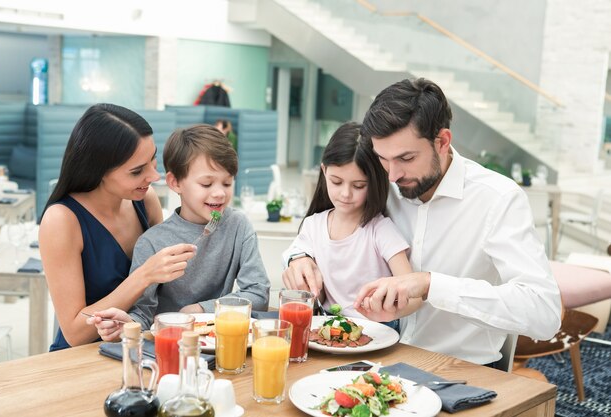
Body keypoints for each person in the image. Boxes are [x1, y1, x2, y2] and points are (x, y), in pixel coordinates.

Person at [283, 78, 562, 366]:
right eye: (382, 158)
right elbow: (326, 225)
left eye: (406, 157)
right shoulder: (377, 182)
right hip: (375, 359)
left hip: (458, 368)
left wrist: (431, 285)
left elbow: (544, 313)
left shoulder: (497, 200)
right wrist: (299, 257)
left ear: (442, 141)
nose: (391, 175)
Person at [40, 103, 196, 351]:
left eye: (153, 160)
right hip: (81, 358)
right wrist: (144, 276)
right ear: (98, 170)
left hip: (138, 347)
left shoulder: (144, 200)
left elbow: (168, 287)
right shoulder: (62, 220)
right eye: (137, 171)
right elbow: (74, 332)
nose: (154, 176)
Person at [91, 124, 270, 338]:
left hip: (221, 342)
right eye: (206, 184)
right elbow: (143, 313)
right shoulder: (151, 243)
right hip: (169, 345)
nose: (220, 193)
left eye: (227, 182)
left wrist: (201, 309)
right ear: (175, 183)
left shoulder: (238, 226)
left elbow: (259, 293)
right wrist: (128, 325)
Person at [282, 122, 420, 325]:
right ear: (324, 171)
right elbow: (315, 296)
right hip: (326, 325)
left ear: (374, 183)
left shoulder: (380, 230)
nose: (345, 194)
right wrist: (306, 289)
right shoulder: (313, 226)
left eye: (358, 185)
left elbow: (414, 295)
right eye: (336, 182)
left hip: (378, 328)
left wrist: (391, 311)